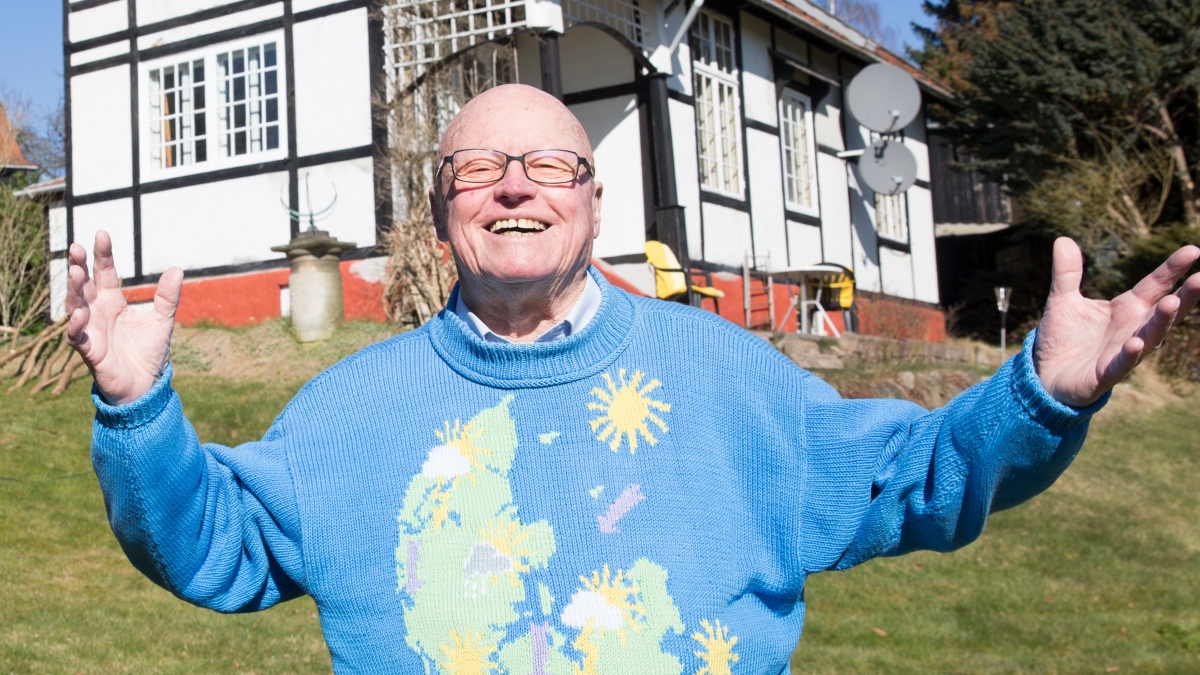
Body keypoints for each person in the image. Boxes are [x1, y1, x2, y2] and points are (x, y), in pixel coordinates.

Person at [66, 84, 1200, 674]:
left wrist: (1044, 394)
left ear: (592, 201)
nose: (516, 188)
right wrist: (137, 408)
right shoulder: (346, 415)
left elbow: (920, 477)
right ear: (438, 210)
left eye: (549, 164)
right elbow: (208, 546)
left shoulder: (726, 378)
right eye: (478, 169)